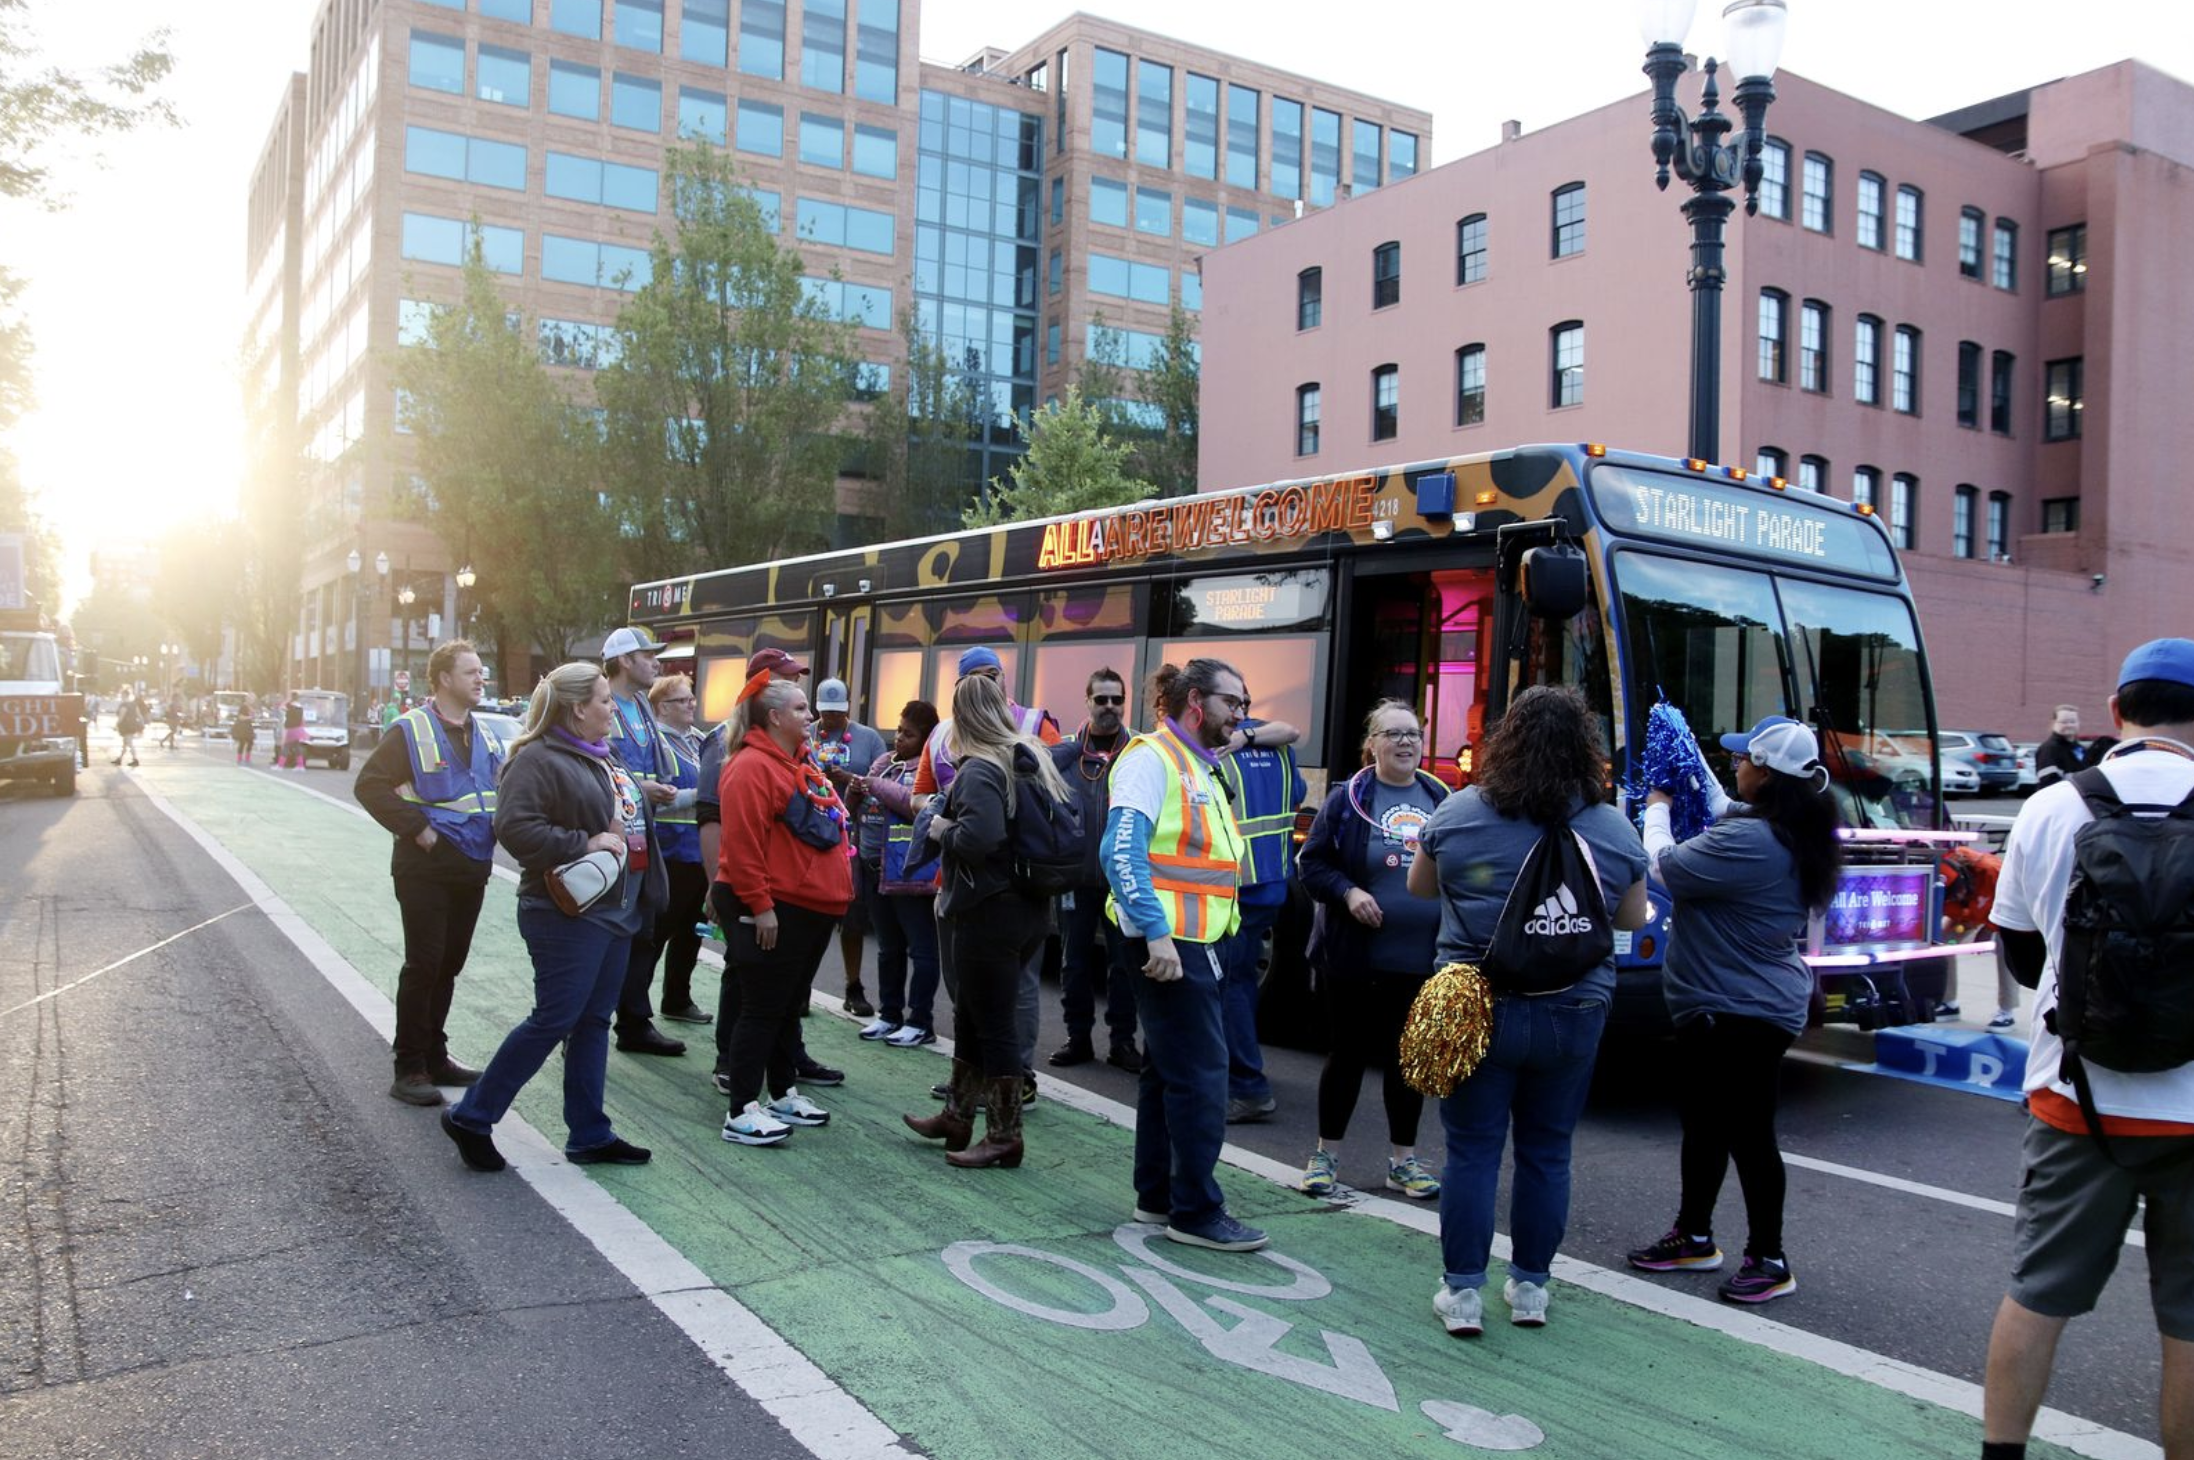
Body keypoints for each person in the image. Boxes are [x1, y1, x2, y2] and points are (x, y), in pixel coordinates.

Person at [1980, 640, 2194, 1460]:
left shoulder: (2052, 805)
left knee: (2038, 1294)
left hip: (2077, 1102)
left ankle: (2004, 1455)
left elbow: (2025, 958)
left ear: (2117, 712)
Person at [1408, 685, 1650, 1334]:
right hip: (1574, 1008)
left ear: (1504, 740)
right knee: (1547, 1152)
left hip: (1474, 1007)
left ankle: (1461, 1293)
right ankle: (1531, 1288)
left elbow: (1421, 888)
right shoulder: (1613, 827)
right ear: (1584, 748)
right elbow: (1632, 917)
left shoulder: (1458, 815)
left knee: (1472, 1152)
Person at [1624, 714, 1843, 1306]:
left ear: (1767, 774)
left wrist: (1659, 802)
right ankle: (1694, 1234)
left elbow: (1661, 865)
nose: (1736, 765)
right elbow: (1724, 805)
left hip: (1737, 1010)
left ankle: (1769, 1258)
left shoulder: (1751, 840)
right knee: (1705, 1124)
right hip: (1738, 1004)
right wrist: (1689, 757)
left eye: (1745, 758)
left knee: (1747, 1132)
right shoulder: (1789, 828)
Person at [439, 661, 665, 1173]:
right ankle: (472, 1116)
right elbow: (515, 830)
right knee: (555, 1019)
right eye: (606, 700)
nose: (613, 708)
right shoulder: (536, 759)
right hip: (564, 912)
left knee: (590, 1022)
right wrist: (582, 843)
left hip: (613, 912)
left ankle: (589, 1132)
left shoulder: (600, 757)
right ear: (577, 707)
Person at [1103, 657, 1267, 1252]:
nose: (1240, 715)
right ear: (1196, 701)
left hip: (1197, 942)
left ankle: (1159, 1197)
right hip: (1172, 945)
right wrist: (1156, 933)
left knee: (1168, 1070)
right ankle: (1195, 1210)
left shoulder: (1199, 764)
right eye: (1234, 702)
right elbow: (1120, 852)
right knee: (1202, 1077)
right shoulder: (1153, 759)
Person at [903, 676, 1073, 1168]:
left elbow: (979, 838)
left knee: (991, 1022)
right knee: (974, 1014)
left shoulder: (980, 767)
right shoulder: (1030, 755)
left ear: (961, 716)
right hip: (1027, 907)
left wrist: (939, 827)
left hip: (986, 909)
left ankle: (1003, 1135)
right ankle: (958, 1115)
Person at [1297, 700, 1449, 1201]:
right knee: (1347, 1056)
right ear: (1373, 744)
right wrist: (1349, 892)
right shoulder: (1349, 799)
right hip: (1355, 958)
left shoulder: (1440, 798)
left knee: (1409, 1063)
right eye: (1393, 734)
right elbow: (1312, 864)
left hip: (1420, 959)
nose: (1405, 742)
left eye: (1413, 734)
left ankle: (1403, 1163)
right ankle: (1326, 1157)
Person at [355, 639, 503, 1106]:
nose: (481, 679)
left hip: (472, 866)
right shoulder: (411, 729)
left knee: (449, 965)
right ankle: (410, 1067)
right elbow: (370, 786)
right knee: (424, 963)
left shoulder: (485, 733)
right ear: (442, 679)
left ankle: (436, 1055)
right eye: (470, 672)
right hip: (425, 867)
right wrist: (418, 830)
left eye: (482, 672)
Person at [713, 671, 853, 1147]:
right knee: (762, 1007)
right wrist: (761, 906)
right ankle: (741, 1110)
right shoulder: (752, 766)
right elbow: (743, 845)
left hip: (806, 907)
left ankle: (781, 1092)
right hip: (778, 906)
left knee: (787, 1006)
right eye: (799, 709)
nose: (810, 716)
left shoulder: (795, 762)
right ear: (774, 717)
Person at [1215, 686, 1306, 1124]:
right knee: (1243, 983)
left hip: (1233, 888)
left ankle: (1248, 1086)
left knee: (1228, 985)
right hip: (1272, 882)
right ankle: (1239, 1068)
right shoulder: (1276, 745)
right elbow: (1296, 795)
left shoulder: (1217, 749)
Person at [1047, 669, 1143, 1072]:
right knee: (1074, 960)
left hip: (1124, 879)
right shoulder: (1065, 751)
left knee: (1125, 965)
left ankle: (1122, 1043)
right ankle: (1078, 1038)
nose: (1109, 708)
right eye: (1101, 700)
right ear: (1087, 702)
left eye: (1116, 700)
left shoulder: (1140, 750)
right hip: (1075, 876)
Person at [600, 625, 686, 1058]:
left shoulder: (640, 706)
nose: (657, 663)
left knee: (644, 931)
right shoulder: (602, 705)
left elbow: (656, 766)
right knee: (605, 933)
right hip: (612, 837)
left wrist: (660, 788)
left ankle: (634, 1021)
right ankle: (584, 1024)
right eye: (647, 655)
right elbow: (600, 768)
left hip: (644, 836)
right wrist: (642, 787)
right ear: (623, 662)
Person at [851, 700, 943, 1045]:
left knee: (921, 950)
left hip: (912, 876)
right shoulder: (886, 764)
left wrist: (870, 783)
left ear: (926, 738)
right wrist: (856, 789)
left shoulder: (930, 768)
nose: (899, 739)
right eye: (899, 730)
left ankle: (920, 1022)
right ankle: (889, 1015)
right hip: (875, 870)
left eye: (909, 734)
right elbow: (857, 801)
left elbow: (910, 803)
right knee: (888, 949)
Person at [810, 677, 888, 1018]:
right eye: (825, 713)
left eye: (837, 714)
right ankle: (801, 986)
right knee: (809, 916)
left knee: (853, 916)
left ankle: (853, 986)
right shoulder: (806, 734)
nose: (830, 720)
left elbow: (883, 785)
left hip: (853, 837)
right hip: (811, 834)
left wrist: (850, 781)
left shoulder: (868, 739)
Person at [639, 672, 711, 1026]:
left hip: (700, 854)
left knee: (692, 933)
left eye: (691, 698)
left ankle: (677, 999)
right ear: (662, 707)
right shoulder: (655, 744)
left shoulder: (699, 740)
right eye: (683, 700)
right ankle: (636, 1012)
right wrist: (701, 798)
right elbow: (653, 800)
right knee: (655, 936)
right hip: (669, 854)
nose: (691, 704)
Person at [2033, 705, 2087, 792]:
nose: (2069, 725)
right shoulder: (2049, 749)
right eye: (2064, 722)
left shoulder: (2080, 749)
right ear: (2053, 723)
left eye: (2073, 721)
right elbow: (2048, 784)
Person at [111, 693, 143, 768]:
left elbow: (121, 716)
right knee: (125, 743)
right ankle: (120, 758)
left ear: (123, 696)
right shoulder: (134, 704)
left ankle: (135, 759)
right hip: (133, 726)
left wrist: (116, 725)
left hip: (126, 727)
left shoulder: (124, 705)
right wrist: (141, 724)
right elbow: (139, 715)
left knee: (129, 743)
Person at [279, 695, 308, 771]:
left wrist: (287, 700)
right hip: (298, 729)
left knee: (286, 746)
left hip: (291, 729)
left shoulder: (290, 706)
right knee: (297, 747)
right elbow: (303, 719)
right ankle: (300, 765)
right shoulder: (300, 707)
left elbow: (281, 707)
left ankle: (280, 765)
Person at [231, 701, 256, 766]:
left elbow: (252, 718)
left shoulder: (250, 708)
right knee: (242, 743)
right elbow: (240, 717)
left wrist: (252, 712)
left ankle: (247, 758)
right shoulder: (243, 707)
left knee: (250, 742)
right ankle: (239, 759)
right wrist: (250, 717)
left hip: (248, 728)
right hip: (242, 728)